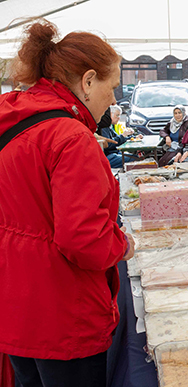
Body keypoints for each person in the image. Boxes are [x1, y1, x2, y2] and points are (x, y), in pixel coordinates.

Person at [0, 20, 135, 387]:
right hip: (63, 316)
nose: (112, 101)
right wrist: (122, 244)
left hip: (16, 305)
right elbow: (82, 238)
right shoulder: (71, 137)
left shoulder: (16, 117)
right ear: (88, 81)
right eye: (112, 88)